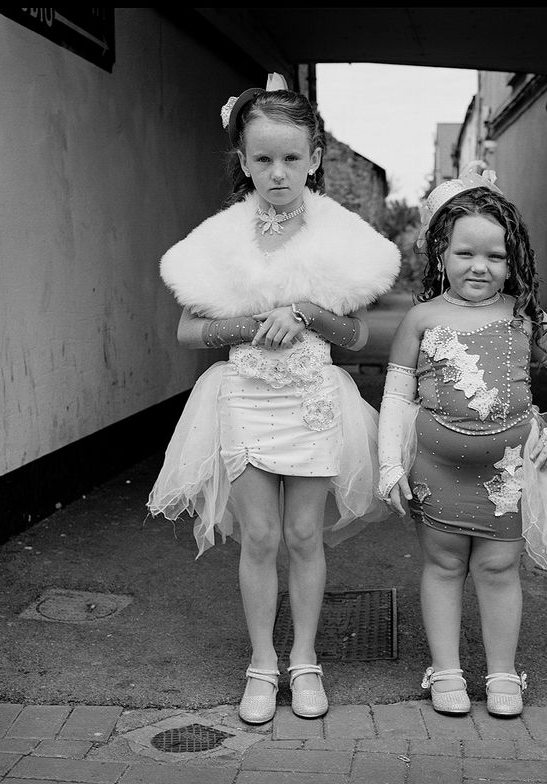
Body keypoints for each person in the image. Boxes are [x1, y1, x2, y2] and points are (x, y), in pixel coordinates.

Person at [147, 73, 400, 724]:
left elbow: (359, 333)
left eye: (292, 158)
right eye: (263, 159)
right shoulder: (222, 240)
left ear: (315, 159)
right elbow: (187, 330)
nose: (278, 173)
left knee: (302, 534)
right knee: (259, 536)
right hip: (245, 399)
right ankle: (262, 664)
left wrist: (308, 311)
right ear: (244, 161)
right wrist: (250, 326)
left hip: (314, 399)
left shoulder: (339, 238)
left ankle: (306, 660)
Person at [376, 162, 547, 717]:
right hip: (435, 470)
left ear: (513, 260)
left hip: (509, 474)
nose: (481, 266)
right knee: (443, 567)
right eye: (466, 253)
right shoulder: (421, 318)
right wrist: (388, 468)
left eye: (496, 256)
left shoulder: (527, 316)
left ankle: (501, 674)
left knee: (498, 569)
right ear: (440, 252)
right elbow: (396, 398)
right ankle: (445, 671)